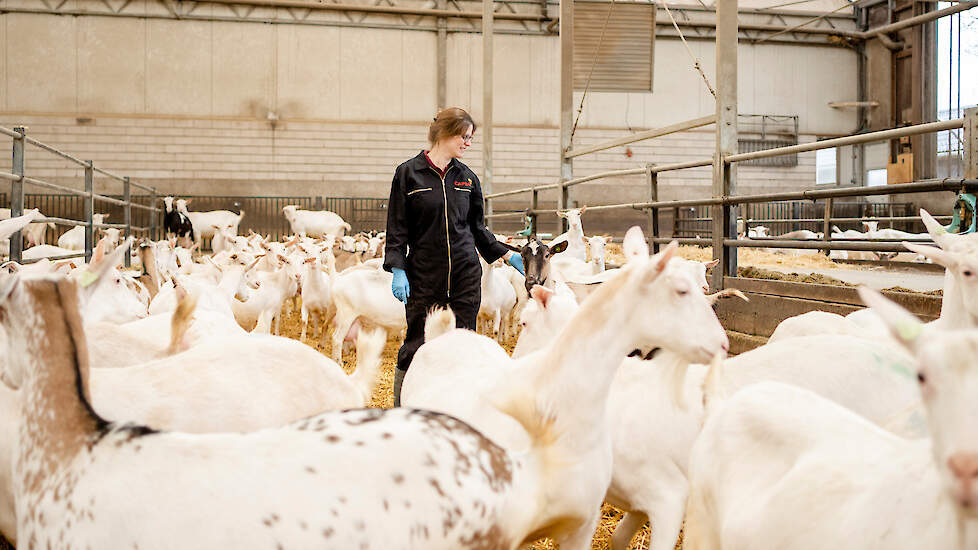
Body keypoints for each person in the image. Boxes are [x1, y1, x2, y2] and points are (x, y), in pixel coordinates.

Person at [384, 107, 524, 406]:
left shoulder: (467, 178)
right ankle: (402, 407)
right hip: (424, 274)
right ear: (447, 133)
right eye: (465, 137)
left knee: (464, 343)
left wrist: (506, 255)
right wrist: (398, 268)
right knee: (416, 344)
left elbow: (476, 228)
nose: (468, 144)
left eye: (470, 138)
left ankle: (463, 407)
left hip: (465, 274)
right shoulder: (408, 173)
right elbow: (397, 228)